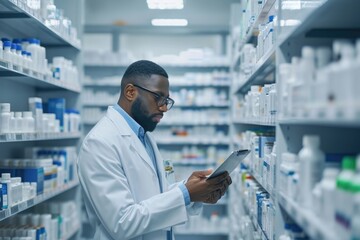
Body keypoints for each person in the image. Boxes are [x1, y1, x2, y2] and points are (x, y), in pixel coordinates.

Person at [77, 60, 232, 240]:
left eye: (167, 100)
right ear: (130, 92)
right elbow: (122, 222)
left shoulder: (144, 135)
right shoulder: (99, 143)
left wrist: (195, 193)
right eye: (158, 97)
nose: (164, 108)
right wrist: (185, 194)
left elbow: (153, 195)